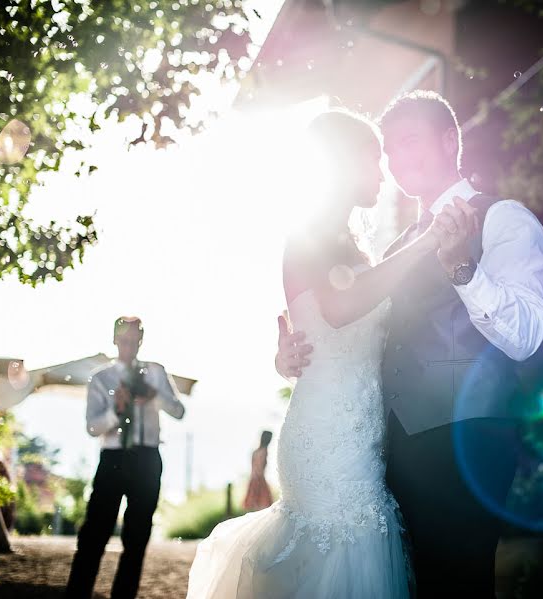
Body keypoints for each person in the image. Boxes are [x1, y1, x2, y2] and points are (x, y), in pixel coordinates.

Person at [275, 90, 543, 597]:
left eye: (409, 142)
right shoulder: (397, 246)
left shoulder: (503, 218)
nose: (398, 161)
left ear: (450, 141)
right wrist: (290, 353)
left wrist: (463, 271)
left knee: (460, 584)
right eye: (390, 151)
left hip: (467, 442)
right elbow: (363, 332)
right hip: (392, 449)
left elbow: (526, 337)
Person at [187, 108, 456, 598]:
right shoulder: (307, 234)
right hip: (326, 436)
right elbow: (339, 308)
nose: (383, 172)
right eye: (374, 160)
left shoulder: (357, 246)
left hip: (365, 436)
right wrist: (424, 246)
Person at [66, 316, 186, 599]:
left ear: (141, 340)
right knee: (94, 533)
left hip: (147, 458)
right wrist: (116, 410)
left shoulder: (156, 372)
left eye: (134, 340)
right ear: (114, 339)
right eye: (124, 340)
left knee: (137, 537)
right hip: (114, 458)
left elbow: (179, 411)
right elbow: (92, 428)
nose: (129, 346)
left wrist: (155, 396)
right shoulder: (101, 378)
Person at [242, 431, 274, 512]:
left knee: (254, 507)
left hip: (253, 479)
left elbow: (253, 467)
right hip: (259, 480)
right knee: (262, 507)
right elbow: (260, 468)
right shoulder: (264, 451)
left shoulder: (255, 452)